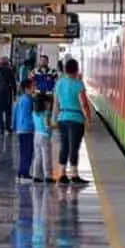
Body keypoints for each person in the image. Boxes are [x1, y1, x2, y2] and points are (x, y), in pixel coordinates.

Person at [52, 57, 89, 185]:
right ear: (76, 70)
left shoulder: (59, 83)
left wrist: (54, 119)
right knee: (74, 147)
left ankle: (62, 175)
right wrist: (88, 118)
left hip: (62, 118)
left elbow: (55, 103)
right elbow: (84, 103)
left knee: (64, 146)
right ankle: (74, 175)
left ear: (65, 69)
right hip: (76, 119)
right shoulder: (78, 84)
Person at [13, 78, 37, 183]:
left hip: (20, 129)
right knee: (28, 152)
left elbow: (15, 114)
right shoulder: (28, 100)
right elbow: (28, 116)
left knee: (23, 152)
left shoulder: (21, 99)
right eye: (33, 87)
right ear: (27, 88)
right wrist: (35, 126)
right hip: (27, 129)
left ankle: (21, 172)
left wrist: (14, 127)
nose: (34, 89)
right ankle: (25, 174)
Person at [30, 92, 54, 183]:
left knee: (38, 156)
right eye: (48, 103)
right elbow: (47, 125)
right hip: (45, 136)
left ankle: (36, 176)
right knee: (46, 157)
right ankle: (48, 176)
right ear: (44, 103)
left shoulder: (34, 113)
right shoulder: (46, 113)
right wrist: (54, 126)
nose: (49, 104)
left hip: (36, 135)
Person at [0, 56, 17, 134]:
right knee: (8, 111)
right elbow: (13, 83)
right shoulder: (9, 70)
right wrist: (14, 93)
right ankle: (8, 127)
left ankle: (1, 128)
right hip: (7, 93)